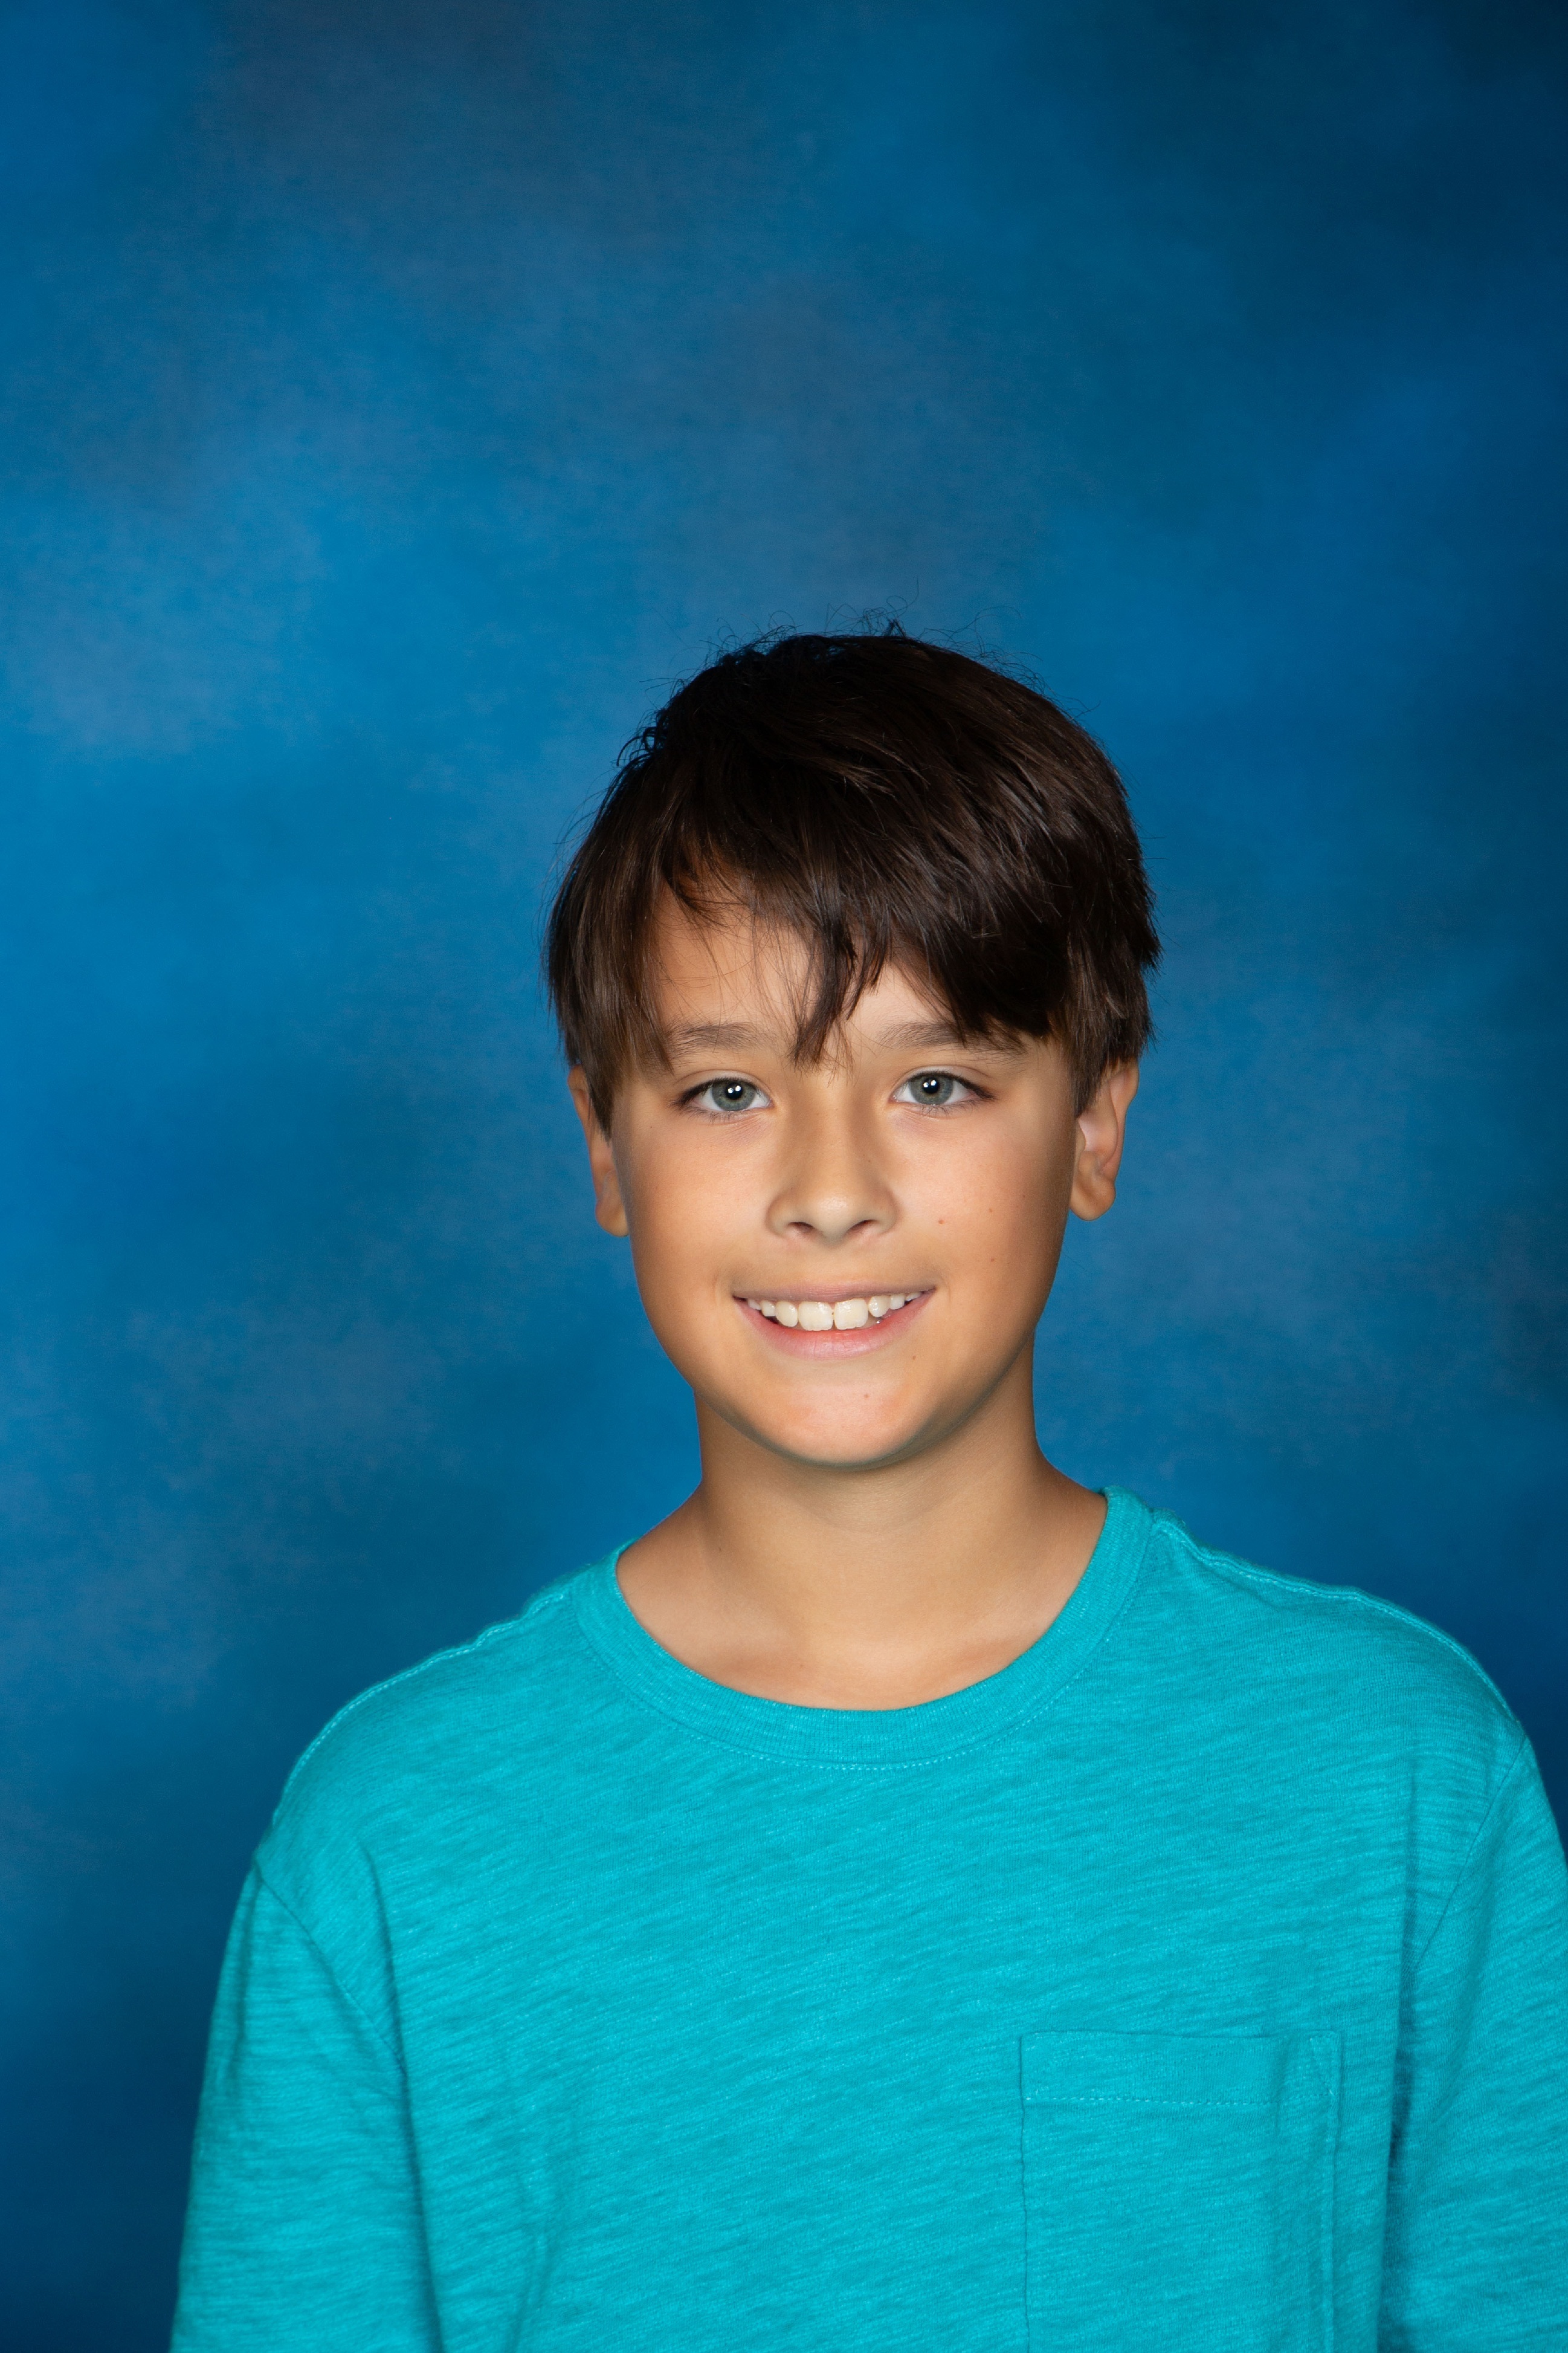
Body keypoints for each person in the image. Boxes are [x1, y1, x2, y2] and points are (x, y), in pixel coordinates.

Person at [172, 628, 1567, 2351]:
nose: (829, 1192)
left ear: (1095, 1123)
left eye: (934, 1082)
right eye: (727, 1090)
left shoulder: (1393, 1780)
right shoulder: (393, 1839)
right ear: (606, 1147)